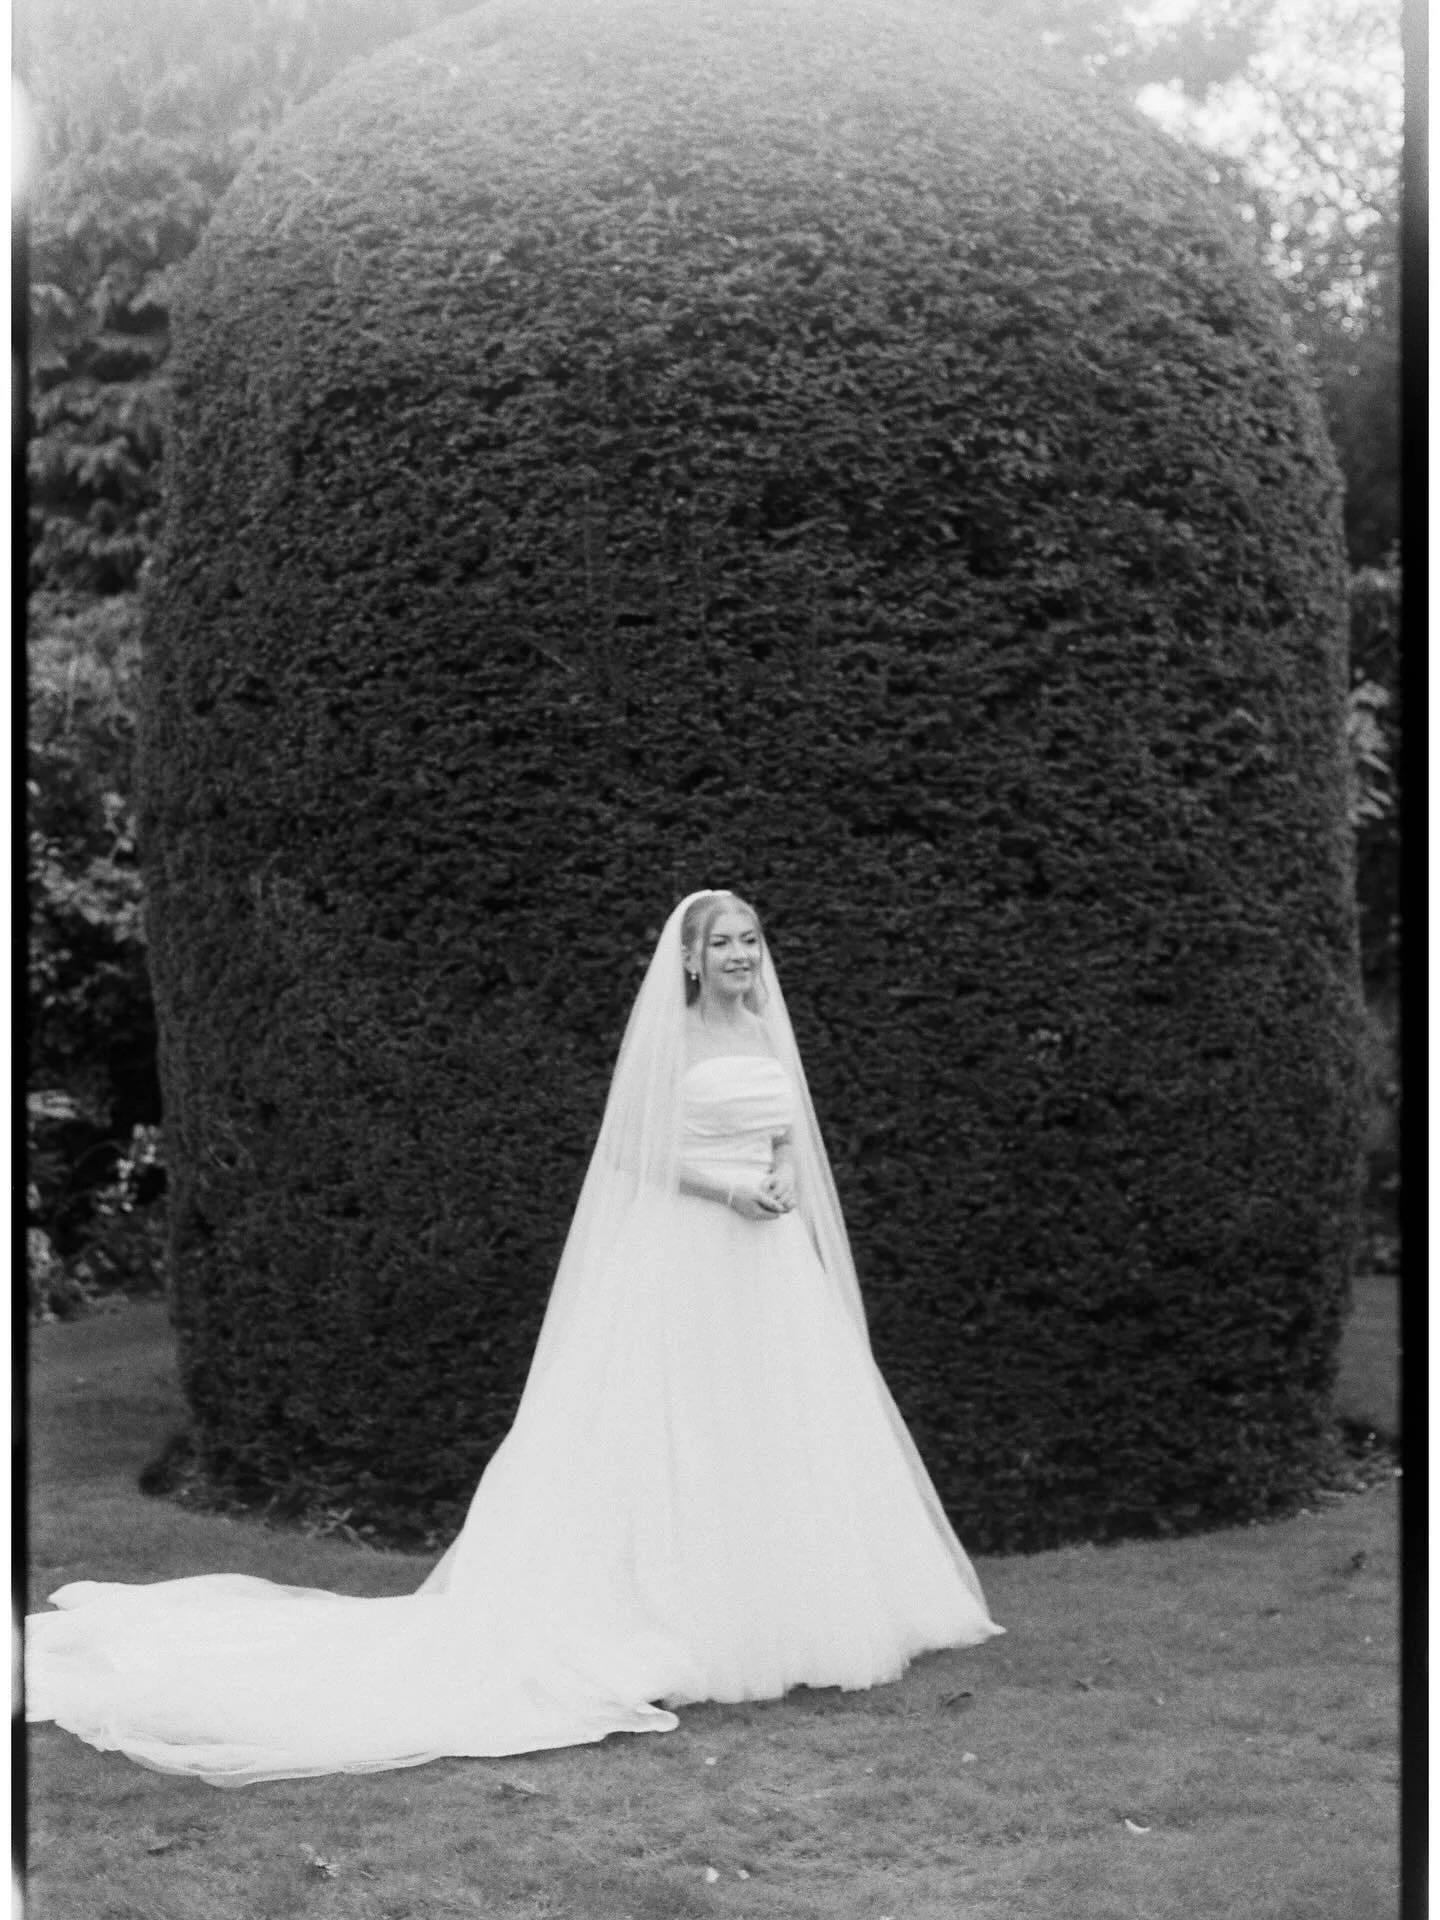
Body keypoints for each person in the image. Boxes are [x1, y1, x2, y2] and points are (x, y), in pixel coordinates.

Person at [27, 889, 1001, 1787]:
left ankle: (792, 1610)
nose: (743, 957)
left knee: (772, 1425)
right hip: (692, 1250)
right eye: (724, 945)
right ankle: (672, 1618)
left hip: (767, 1260)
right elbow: (631, 1147)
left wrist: (779, 1172)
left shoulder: (761, 1029)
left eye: (751, 942)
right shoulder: (671, 1038)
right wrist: (730, 1187)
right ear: (691, 962)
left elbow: (783, 1124)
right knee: (673, 1428)